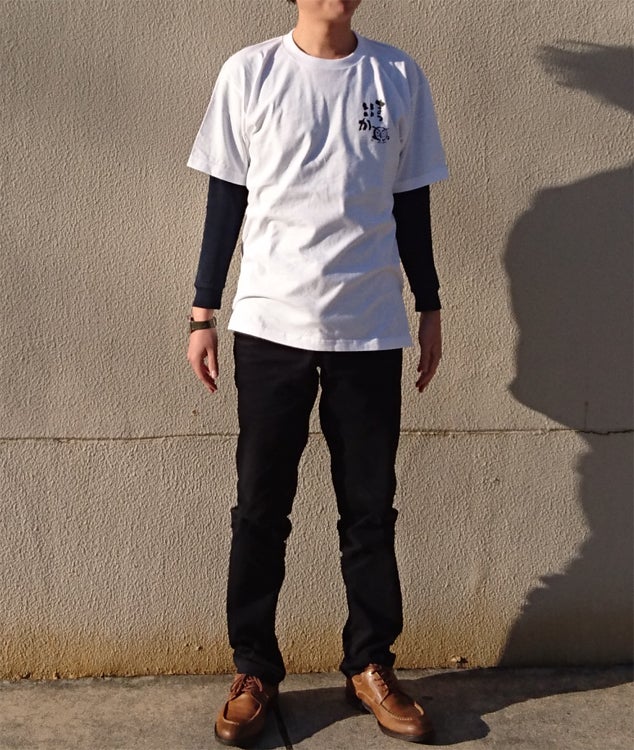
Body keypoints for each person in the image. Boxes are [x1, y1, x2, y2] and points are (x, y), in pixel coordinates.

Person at [186, 0, 448, 745]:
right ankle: (253, 669)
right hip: (271, 323)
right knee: (260, 507)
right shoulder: (251, 73)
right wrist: (202, 311)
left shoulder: (397, 75)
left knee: (370, 509)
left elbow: (412, 203)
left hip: (370, 326)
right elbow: (226, 198)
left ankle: (369, 663)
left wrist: (430, 305)